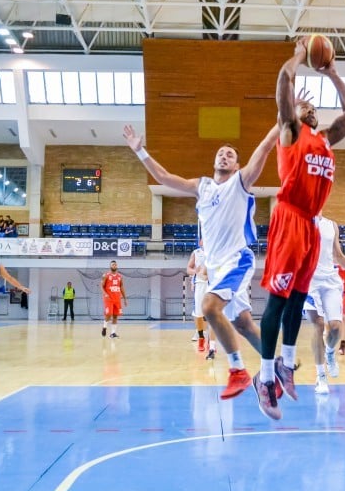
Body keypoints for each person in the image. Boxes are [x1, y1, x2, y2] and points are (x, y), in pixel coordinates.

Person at [125, 122, 278, 398]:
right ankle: (276, 365)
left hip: (237, 259)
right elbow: (165, 178)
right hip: (216, 267)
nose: (224, 156)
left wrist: (281, 122)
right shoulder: (202, 186)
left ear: (236, 165)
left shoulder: (240, 182)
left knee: (208, 307)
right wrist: (141, 152)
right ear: (213, 160)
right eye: (221, 153)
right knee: (243, 324)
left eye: (230, 155)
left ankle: (238, 371)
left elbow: (264, 148)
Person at [256, 40, 345, 420]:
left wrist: (331, 71)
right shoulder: (290, 131)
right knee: (278, 301)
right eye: (305, 107)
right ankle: (265, 378)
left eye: (313, 107)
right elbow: (283, 81)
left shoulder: (325, 139)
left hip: (312, 224)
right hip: (289, 216)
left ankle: (286, 363)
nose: (311, 109)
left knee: (298, 302)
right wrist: (300, 57)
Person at [305, 216, 345, 395]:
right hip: (309, 282)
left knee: (335, 327)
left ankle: (330, 353)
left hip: (331, 280)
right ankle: (320, 376)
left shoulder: (331, 225)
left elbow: (338, 255)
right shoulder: (299, 221)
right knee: (317, 325)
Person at [186, 244, 210, 354]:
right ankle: (201, 337)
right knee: (199, 313)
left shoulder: (215, 251)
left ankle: (211, 341)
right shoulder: (196, 252)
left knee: (212, 314)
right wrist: (196, 272)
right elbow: (188, 269)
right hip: (200, 283)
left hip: (212, 284)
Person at [100, 261, 127, 338]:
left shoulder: (120, 277)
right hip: (108, 298)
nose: (114, 266)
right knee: (108, 314)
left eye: (115, 264)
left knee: (115, 316)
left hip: (117, 298)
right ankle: (104, 327)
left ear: (116, 266)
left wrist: (125, 298)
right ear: (110, 266)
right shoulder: (106, 275)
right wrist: (105, 293)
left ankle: (113, 333)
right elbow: (101, 286)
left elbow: (121, 287)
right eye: (113, 265)